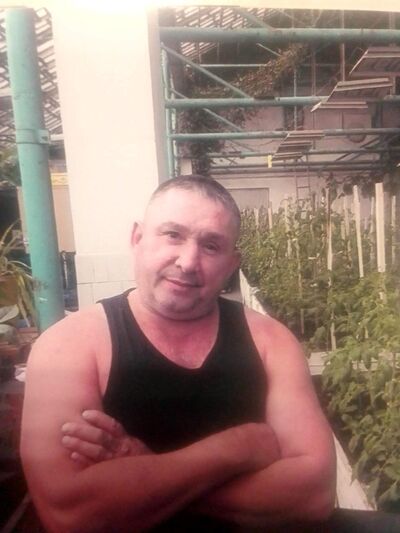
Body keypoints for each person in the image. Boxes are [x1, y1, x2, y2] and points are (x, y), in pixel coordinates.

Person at [20, 175, 336, 532]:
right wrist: (237, 449)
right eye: (173, 235)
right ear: (137, 239)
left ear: (232, 264)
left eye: (211, 246)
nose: (188, 261)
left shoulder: (271, 342)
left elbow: (315, 494)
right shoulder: (68, 346)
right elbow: (70, 513)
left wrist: (145, 468)